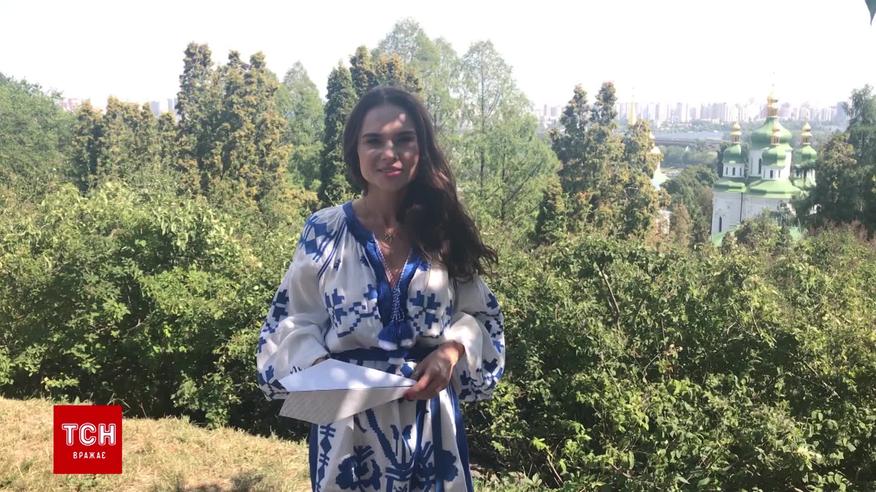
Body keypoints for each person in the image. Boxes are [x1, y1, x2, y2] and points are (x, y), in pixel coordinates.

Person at [256, 86, 505, 492]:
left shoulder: (441, 231)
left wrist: (451, 351)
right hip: (346, 427)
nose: (390, 153)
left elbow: (481, 316)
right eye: (374, 140)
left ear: (421, 148)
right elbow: (292, 320)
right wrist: (324, 372)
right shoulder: (325, 231)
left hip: (430, 426)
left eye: (404, 139)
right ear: (355, 150)